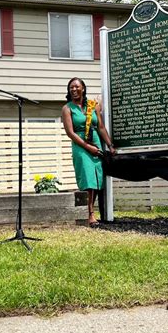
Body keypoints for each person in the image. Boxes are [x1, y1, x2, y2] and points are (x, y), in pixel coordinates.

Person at [61, 77, 116, 227]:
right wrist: (88, 147)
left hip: (96, 141)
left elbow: (101, 127)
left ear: (83, 88)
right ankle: (89, 214)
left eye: (77, 87)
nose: (74, 89)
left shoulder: (93, 106)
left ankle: (90, 211)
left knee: (97, 178)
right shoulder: (67, 108)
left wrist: (110, 145)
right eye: (71, 87)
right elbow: (70, 133)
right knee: (87, 178)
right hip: (80, 145)